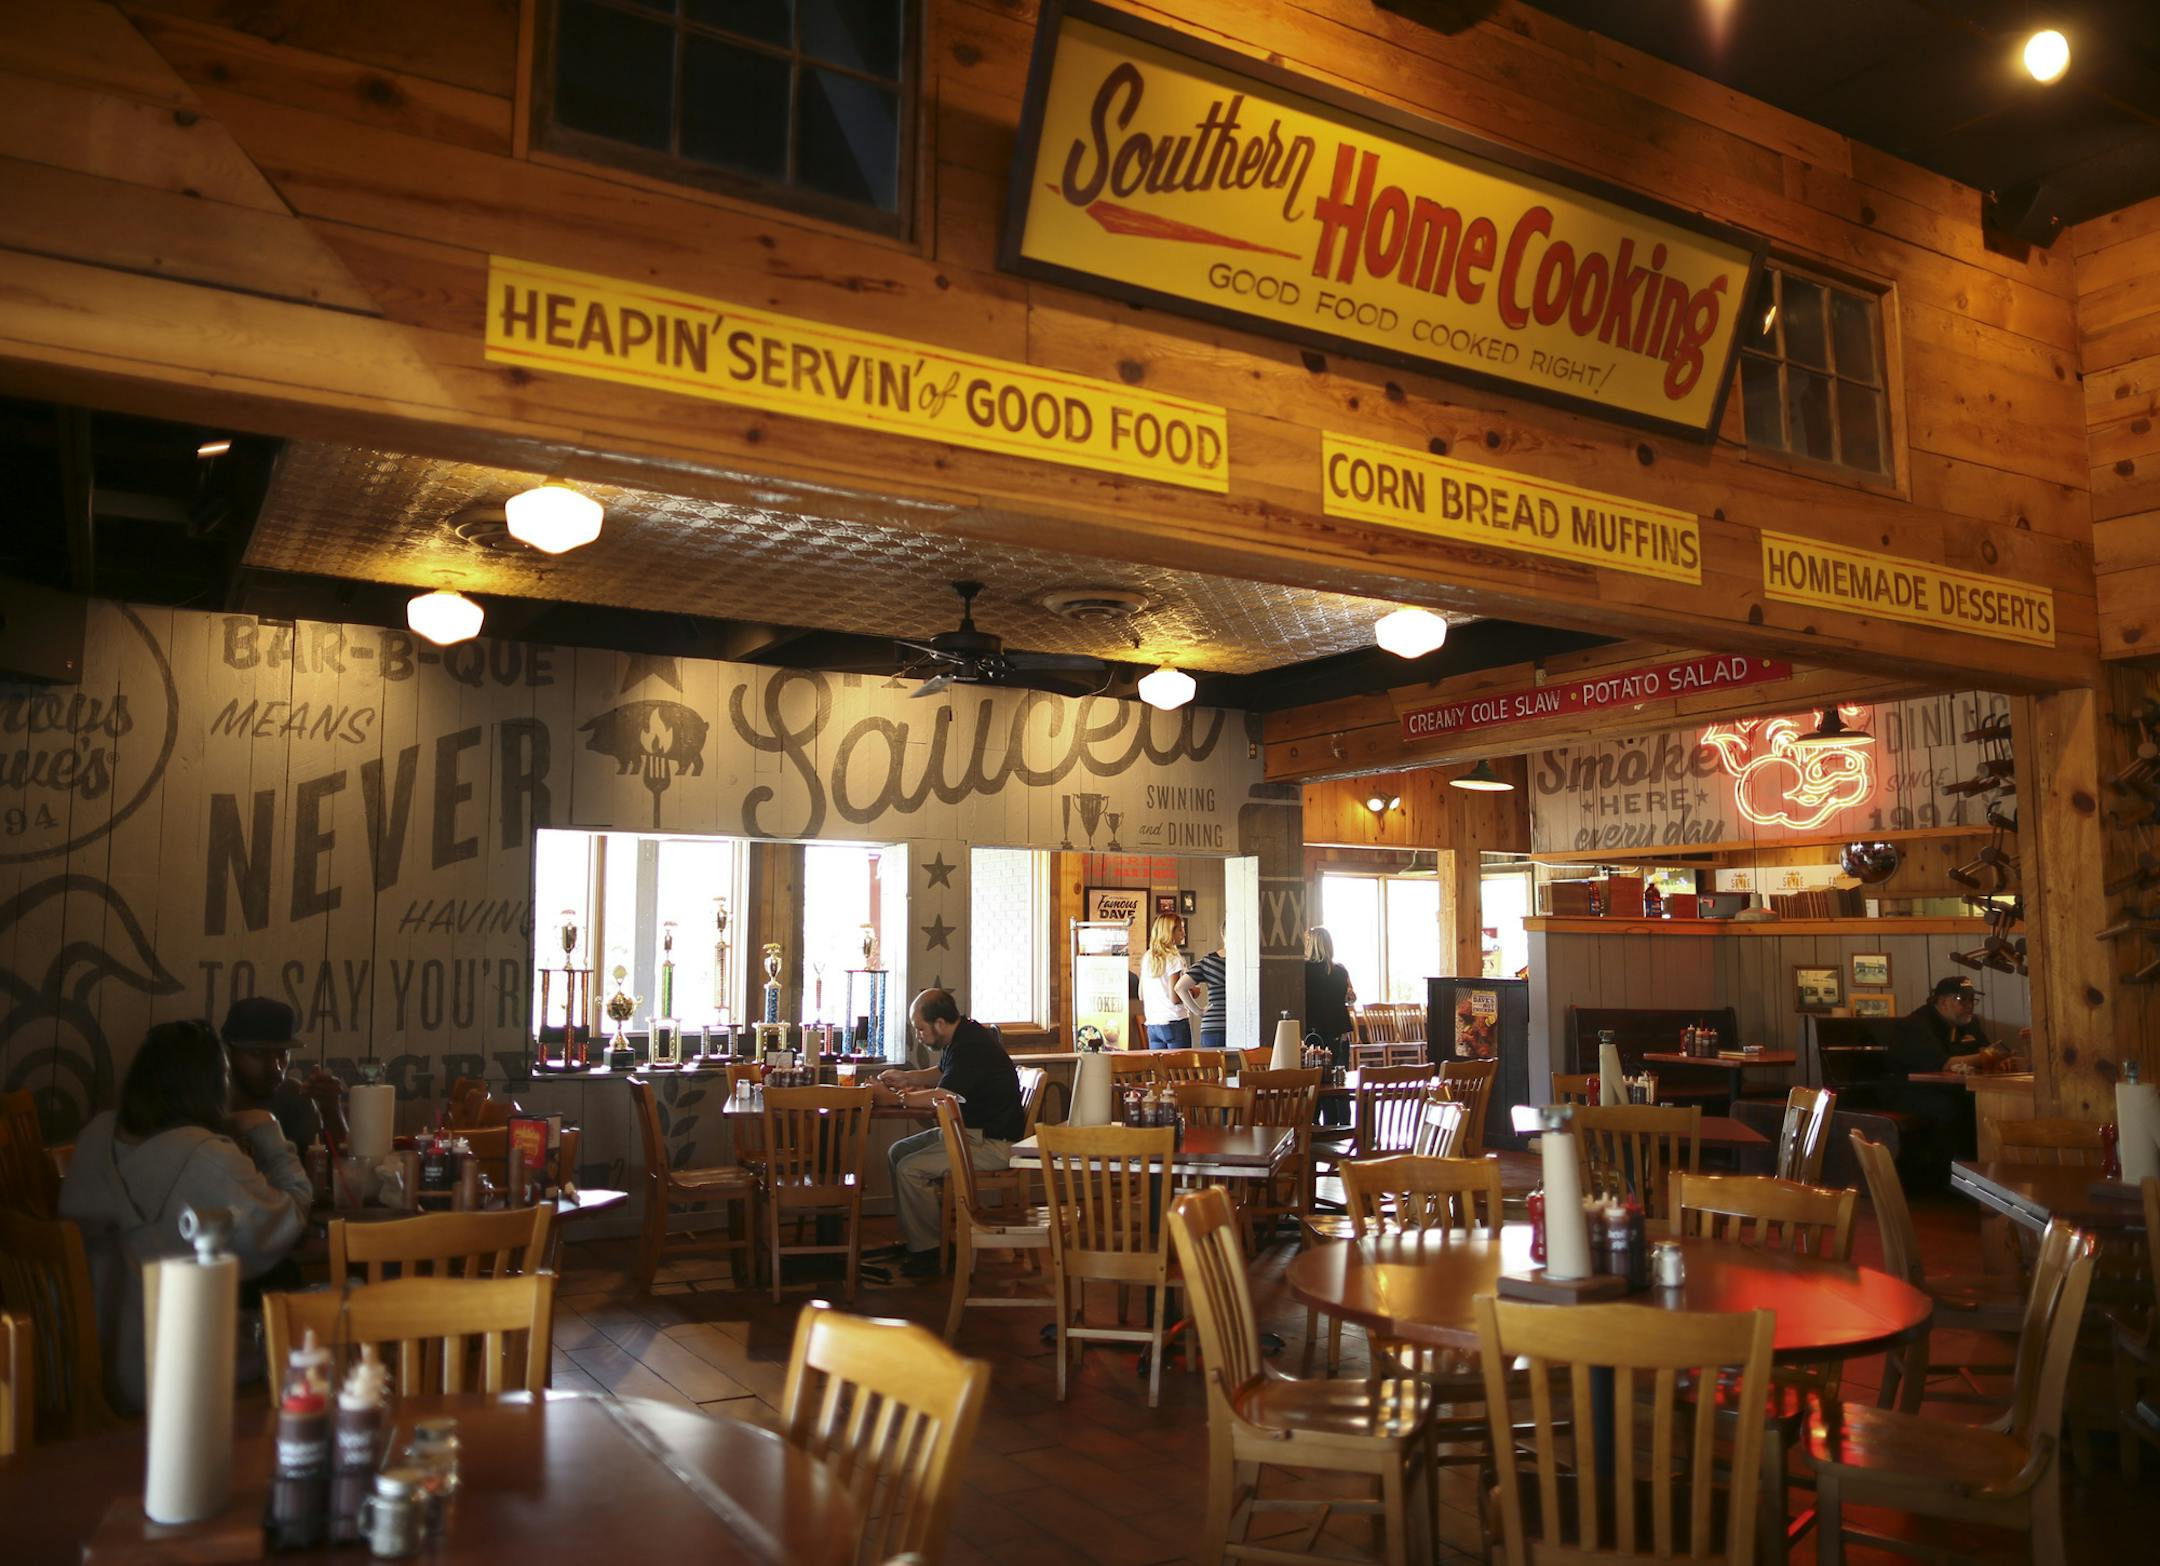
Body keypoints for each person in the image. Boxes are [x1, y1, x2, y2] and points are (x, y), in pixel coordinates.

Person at [60, 1019, 315, 1414]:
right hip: (167, 1373)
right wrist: (270, 1132)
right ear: (212, 1085)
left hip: (79, 1363)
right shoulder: (206, 1156)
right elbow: (287, 1220)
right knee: (312, 1325)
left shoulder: (96, 1133)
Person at [871, 989, 1026, 1277]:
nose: (918, 1034)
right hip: (971, 1134)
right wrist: (906, 1077)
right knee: (898, 1152)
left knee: (909, 1169)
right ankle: (917, 1241)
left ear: (939, 1023)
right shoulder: (963, 1035)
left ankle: (931, 1251)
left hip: (992, 1144)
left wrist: (894, 1098)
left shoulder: (971, 1046)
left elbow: (943, 1093)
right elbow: (943, 1073)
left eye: (920, 1028)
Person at [1889, 975, 2000, 1169]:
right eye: (1962, 1000)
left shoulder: (1968, 1023)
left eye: (1971, 1000)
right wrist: (1986, 1057)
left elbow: (1986, 1050)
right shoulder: (1918, 1024)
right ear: (1942, 1001)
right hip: (1907, 1090)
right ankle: (1948, 1175)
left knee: (1986, 1104)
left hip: (1945, 1088)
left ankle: (1983, 1171)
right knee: (1949, 1107)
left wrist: (1997, 1059)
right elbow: (1944, 1063)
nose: (1969, 1005)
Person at [223, 996, 347, 1151]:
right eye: (258, 1053)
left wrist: (331, 1109)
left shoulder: (292, 1098)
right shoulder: (203, 1106)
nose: (276, 1069)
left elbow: (336, 1166)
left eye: (282, 1054)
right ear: (227, 1053)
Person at [1304, 927, 1356, 1123]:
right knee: (1339, 1081)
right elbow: (1349, 998)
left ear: (1310, 945)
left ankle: (1314, 1125)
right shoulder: (1340, 972)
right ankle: (1342, 1124)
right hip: (1338, 1031)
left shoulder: (1302, 971)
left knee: (1314, 1082)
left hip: (1312, 1035)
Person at [1139, 915, 1192, 1049]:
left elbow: (1141, 994)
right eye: (1180, 930)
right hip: (1175, 1021)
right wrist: (1193, 991)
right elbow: (1175, 997)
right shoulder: (1174, 959)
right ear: (1170, 932)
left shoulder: (1147, 957)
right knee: (1179, 1069)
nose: (1184, 933)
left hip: (1153, 1024)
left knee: (1159, 1069)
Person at [1179, 942, 1229, 1051]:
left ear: (1223, 935)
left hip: (1213, 1025)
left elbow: (1180, 987)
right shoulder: (1247, 961)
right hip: (1243, 1025)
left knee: (1214, 1067)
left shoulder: (1209, 961)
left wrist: (1199, 1011)